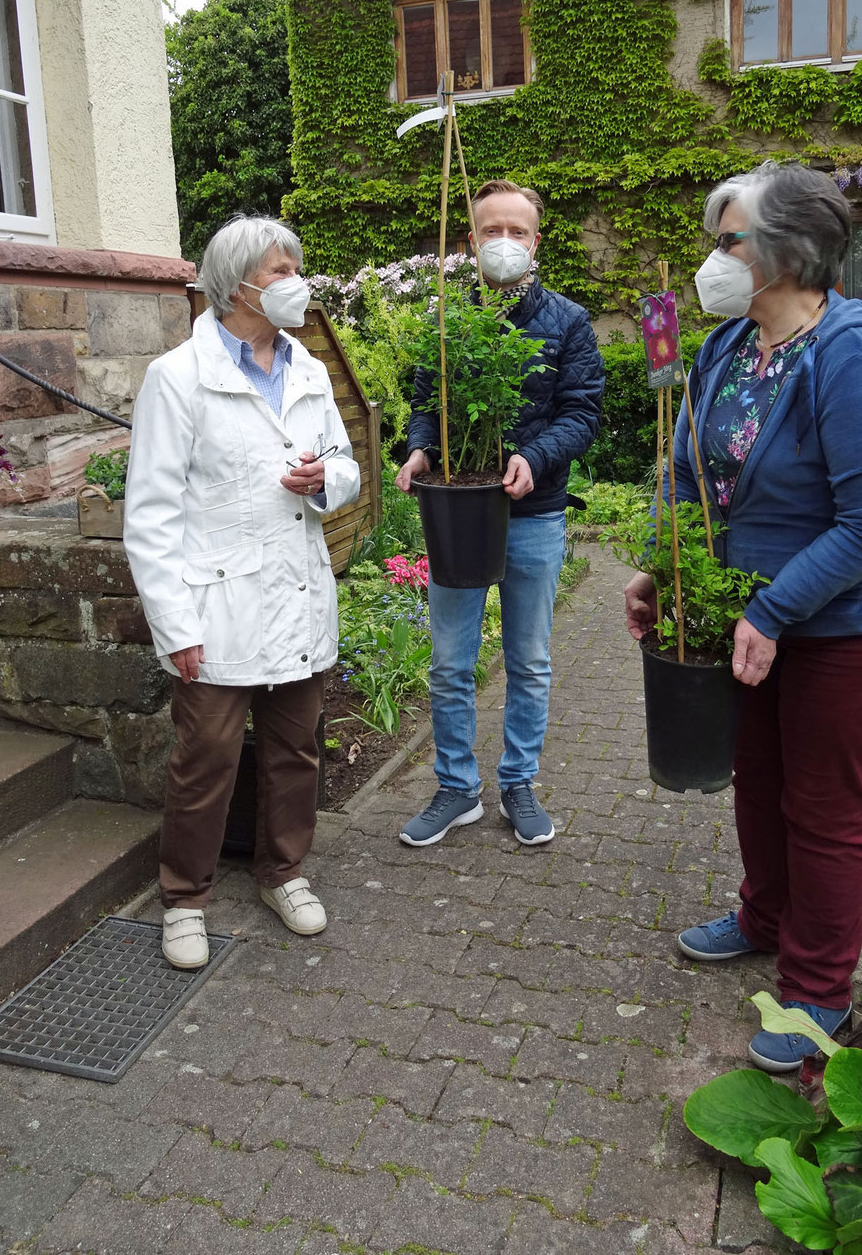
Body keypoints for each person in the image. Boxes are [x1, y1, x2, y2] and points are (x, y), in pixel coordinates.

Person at [623, 160, 862, 1072]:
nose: (712, 258)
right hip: (764, 614)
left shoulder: (853, 356)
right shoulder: (731, 344)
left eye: (727, 241)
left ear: (787, 253)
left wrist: (768, 609)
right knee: (758, 771)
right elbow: (687, 465)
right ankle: (763, 917)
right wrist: (666, 564)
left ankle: (817, 992)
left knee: (822, 804)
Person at [124, 215, 360, 969]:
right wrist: (174, 624)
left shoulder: (309, 369)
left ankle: (282, 872)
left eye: (296, 263)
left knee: (295, 751)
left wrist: (327, 479)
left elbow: (346, 463)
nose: (295, 279)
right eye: (279, 267)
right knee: (205, 760)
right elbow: (151, 514)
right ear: (236, 285)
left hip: (295, 589)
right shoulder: (177, 376)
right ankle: (184, 896)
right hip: (215, 605)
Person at [395, 179, 605, 848]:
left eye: (518, 231)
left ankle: (518, 782)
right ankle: (455, 788)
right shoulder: (447, 320)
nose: (505, 243)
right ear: (470, 241)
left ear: (536, 241)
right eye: (492, 231)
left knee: (529, 660)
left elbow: (582, 412)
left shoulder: (567, 322)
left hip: (535, 512)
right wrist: (421, 447)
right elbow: (425, 399)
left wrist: (536, 458)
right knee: (451, 661)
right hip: (458, 509)